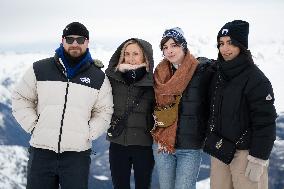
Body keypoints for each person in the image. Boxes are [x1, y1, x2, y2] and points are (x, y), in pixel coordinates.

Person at [12, 22, 113, 189]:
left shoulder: (98, 77)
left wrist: (87, 132)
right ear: (62, 41)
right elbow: (20, 97)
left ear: (87, 42)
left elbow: (104, 111)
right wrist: (34, 126)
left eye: (80, 40)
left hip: (77, 155)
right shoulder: (40, 68)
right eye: (70, 39)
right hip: (41, 152)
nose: (75, 43)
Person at [206, 20, 277, 189]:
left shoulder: (257, 80)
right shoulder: (218, 75)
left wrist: (258, 158)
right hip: (220, 150)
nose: (225, 48)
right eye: (221, 43)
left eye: (230, 43)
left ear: (241, 45)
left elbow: (265, 122)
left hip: (246, 155)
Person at [151, 27, 212, 189]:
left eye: (174, 45)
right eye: (165, 47)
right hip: (162, 145)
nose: (169, 51)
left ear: (183, 45)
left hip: (190, 147)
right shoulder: (159, 74)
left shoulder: (202, 70)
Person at [105, 38, 155, 189]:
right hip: (117, 144)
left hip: (143, 146)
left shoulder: (154, 82)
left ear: (144, 56)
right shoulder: (112, 79)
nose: (131, 58)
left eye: (135, 53)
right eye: (127, 54)